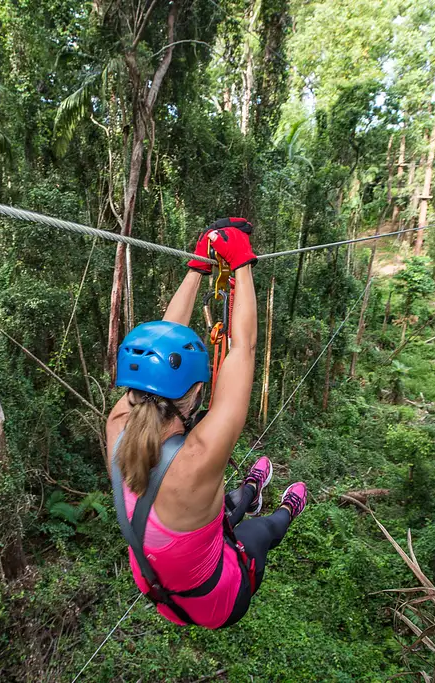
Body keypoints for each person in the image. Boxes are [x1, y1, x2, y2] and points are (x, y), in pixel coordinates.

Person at [105, 217, 309, 629]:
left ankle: (251, 490)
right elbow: (243, 349)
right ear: (196, 393)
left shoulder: (117, 422)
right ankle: (286, 507)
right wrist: (242, 264)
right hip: (215, 599)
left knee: (225, 511)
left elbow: (169, 336)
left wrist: (199, 268)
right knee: (260, 533)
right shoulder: (196, 460)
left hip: (156, 586)